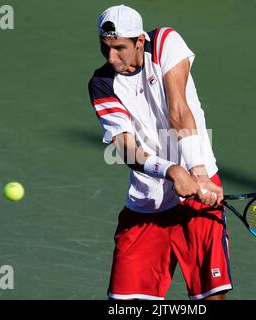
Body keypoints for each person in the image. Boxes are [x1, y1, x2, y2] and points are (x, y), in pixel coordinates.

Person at [88, 4, 232, 300]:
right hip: (147, 205)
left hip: (199, 189)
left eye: (119, 48)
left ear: (140, 41)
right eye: (105, 48)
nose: (112, 57)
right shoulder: (102, 85)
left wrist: (197, 172)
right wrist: (170, 170)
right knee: (126, 304)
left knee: (212, 296)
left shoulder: (166, 42)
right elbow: (126, 150)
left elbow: (178, 109)